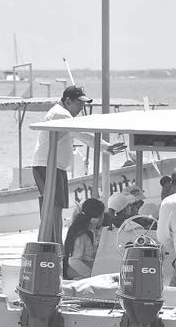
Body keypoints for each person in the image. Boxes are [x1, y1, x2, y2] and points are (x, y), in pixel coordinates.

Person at [32, 85, 125, 247]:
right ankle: (54, 246)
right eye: (79, 103)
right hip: (48, 167)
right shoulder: (60, 113)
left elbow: (80, 134)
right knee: (53, 209)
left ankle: (54, 245)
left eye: (83, 104)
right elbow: (81, 133)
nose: (82, 107)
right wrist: (106, 147)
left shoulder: (63, 113)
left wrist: (106, 147)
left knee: (55, 209)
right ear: (68, 101)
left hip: (55, 167)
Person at [64, 198, 105, 279]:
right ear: (97, 218)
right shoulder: (82, 235)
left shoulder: (87, 232)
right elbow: (74, 261)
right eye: (102, 214)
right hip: (80, 278)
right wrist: (91, 275)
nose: (103, 217)